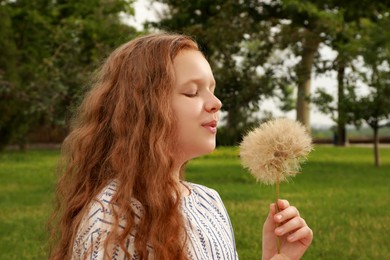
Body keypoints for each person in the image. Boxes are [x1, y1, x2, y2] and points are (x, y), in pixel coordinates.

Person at [48, 32, 313, 260]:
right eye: (192, 92)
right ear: (145, 110)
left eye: (212, 88)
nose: (215, 102)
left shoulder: (208, 201)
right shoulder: (112, 219)